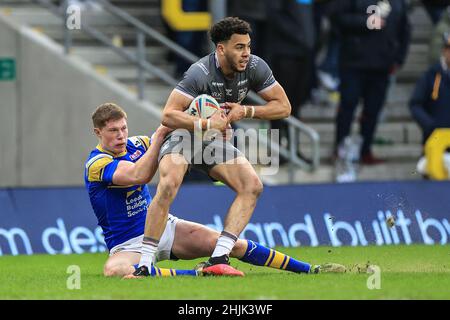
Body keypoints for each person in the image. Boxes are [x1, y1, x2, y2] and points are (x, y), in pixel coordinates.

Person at [84, 103, 345, 278]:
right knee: (114, 270)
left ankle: (312, 270)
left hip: (165, 228)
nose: (120, 135)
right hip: (128, 243)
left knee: (231, 244)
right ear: (98, 132)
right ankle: (200, 273)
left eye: (123, 128)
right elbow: (138, 174)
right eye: (112, 131)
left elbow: (180, 139)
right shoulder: (96, 163)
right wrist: (161, 134)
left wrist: (215, 129)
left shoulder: (137, 143)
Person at [131, 16, 295, 278]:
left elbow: (284, 107)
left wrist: (246, 110)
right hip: (184, 135)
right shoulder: (200, 72)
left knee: (252, 186)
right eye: (239, 47)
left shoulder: (255, 67)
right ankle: (145, 263)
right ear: (221, 49)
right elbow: (168, 115)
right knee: (170, 183)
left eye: (248, 46)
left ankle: (218, 257)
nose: (246, 54)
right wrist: (206, 124)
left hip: (214, 140)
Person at [331, 0, 411, 165]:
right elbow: (337, 18)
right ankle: (340, 149)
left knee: (373, 111)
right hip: (353, 63)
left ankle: (365, 150)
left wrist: (399, 58)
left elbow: (405, 28)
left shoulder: (398, 3)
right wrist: (365, 22)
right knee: (348, 106)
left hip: (382, 66)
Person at [409, 32, 450, 178]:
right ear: (444, 50)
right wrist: (431, 125)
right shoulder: (430, 76)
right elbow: (415, 104)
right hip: (435, 141)